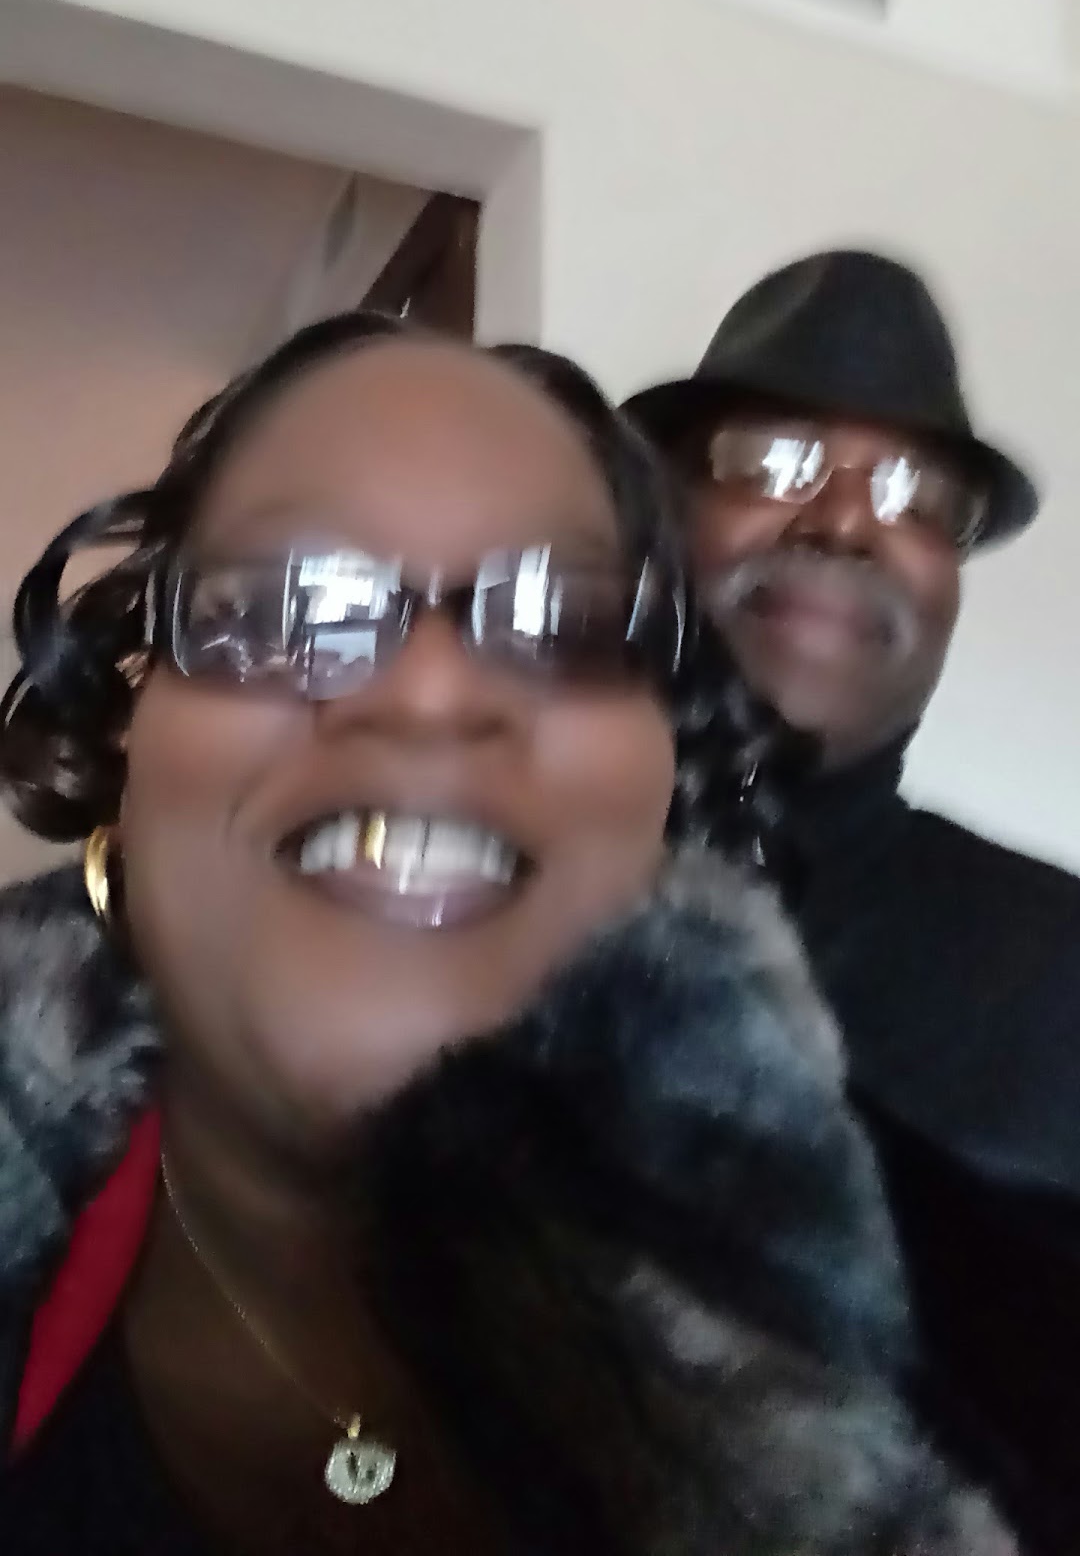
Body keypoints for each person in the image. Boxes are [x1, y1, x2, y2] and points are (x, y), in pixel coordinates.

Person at [0, 308, 1007, 1555]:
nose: (432, 694)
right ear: (126, 719)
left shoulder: (1006, 1361)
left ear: (661, 781)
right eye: (293, 602)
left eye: (565, 625)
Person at [625, 246, 1080, 1553]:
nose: (841, 521)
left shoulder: (1062, 962)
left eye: (914, 494)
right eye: (772, 463)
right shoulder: (477, 904)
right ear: (664, 517)